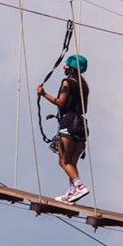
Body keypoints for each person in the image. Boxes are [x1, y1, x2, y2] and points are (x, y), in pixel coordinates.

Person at [38, 54, 90, 202]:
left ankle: (80, 186)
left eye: (66, 66)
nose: (64, 68)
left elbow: (61, 102)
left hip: (69, 123)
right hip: (81, 124)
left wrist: (43, 94)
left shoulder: (67, 82)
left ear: (72, 69)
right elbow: (84, 109)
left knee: (63, 161)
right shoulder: (84, 86)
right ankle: (72, 191)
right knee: (72, 163)